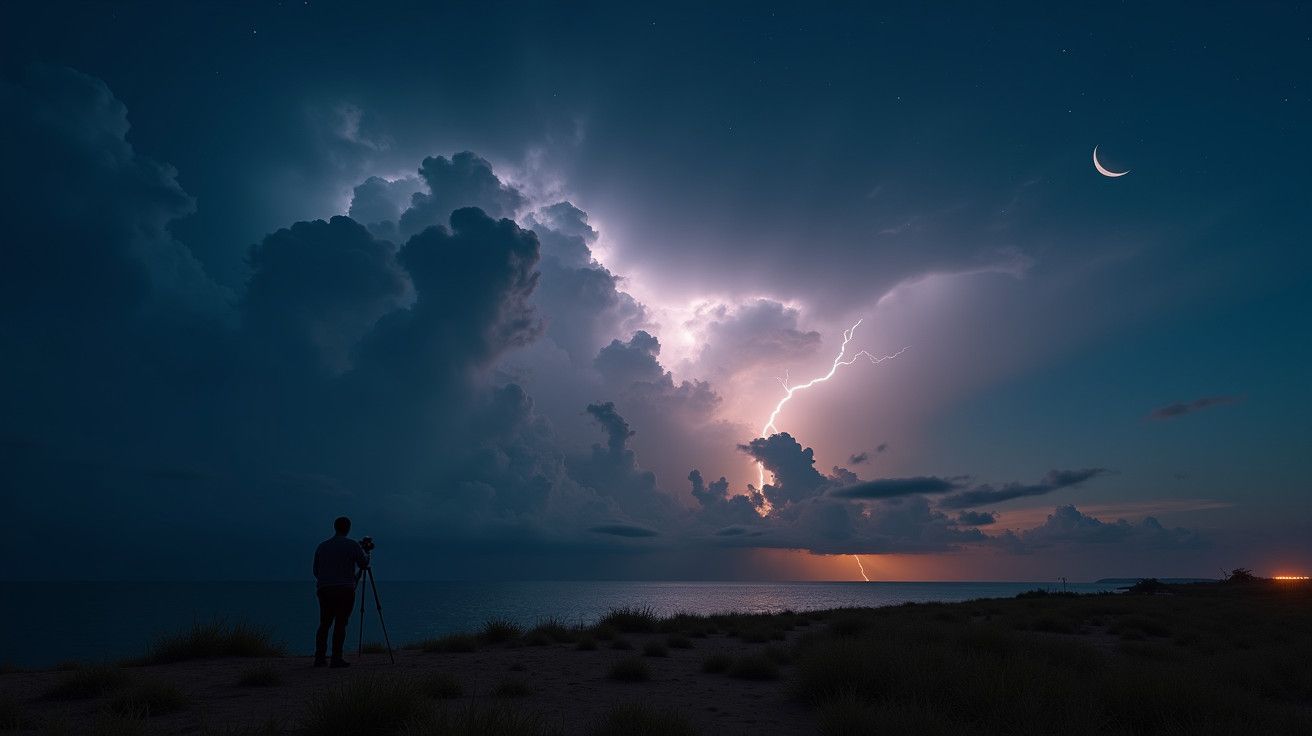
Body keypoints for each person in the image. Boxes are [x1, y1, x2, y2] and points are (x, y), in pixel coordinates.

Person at [312, 516, 369, 668]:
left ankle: (319, 658)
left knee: (324, 623)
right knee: (340, 624)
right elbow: (363, 564)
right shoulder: (352, 546)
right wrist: (366, 553)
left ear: (335, 527)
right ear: (348, 528)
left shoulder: (322, 546)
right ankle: (336, 658)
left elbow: (316, 571)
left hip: (325, 590)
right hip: (344, 590)